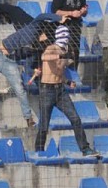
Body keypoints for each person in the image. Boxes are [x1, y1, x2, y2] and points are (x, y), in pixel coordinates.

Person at [31, 26, 97, 157]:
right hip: (47, 90)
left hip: (60, 90)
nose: (65, 39)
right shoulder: (51, 48)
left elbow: (58, 73)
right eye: (64, 36)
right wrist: (61, 55)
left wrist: (67, 82)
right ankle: (39, 151)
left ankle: (85, 149)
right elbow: (44, 57)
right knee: (44, 125)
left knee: (75, 119)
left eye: (67, 36)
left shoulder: (66, 51)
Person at [51, 0, 88, 66]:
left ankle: (73, 75)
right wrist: (71, 13)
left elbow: (84, 12)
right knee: (62, 53)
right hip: (63, 27)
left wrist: (83, 11)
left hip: (76, 27)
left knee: (75, 53)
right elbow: (55, 11)